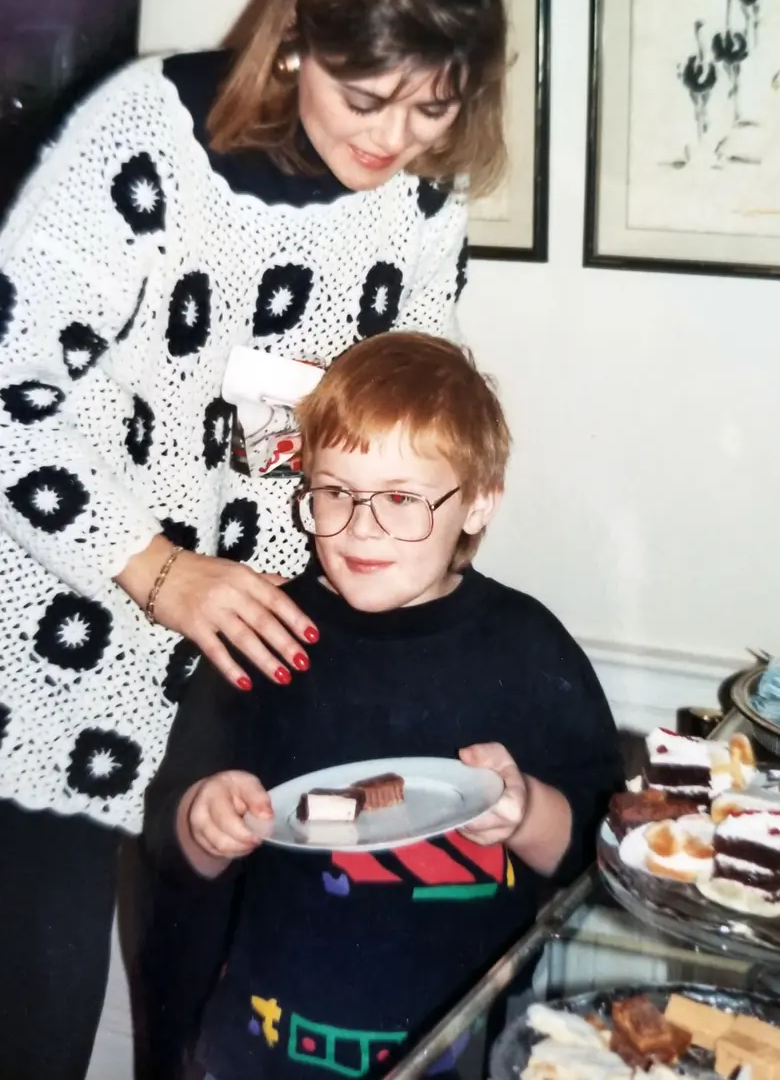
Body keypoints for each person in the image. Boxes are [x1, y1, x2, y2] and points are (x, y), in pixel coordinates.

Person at [0, 0, 509, 1080]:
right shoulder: (147, 132)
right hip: (62, 630)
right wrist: (162, 569)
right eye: (367, 98)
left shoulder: (422, 200)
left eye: (433, 106)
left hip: (260, 642)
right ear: (294, 48)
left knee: (208, 1024)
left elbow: (398, 412)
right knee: (34, 1014)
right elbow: (17, 390)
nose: (398, 138)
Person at [144, 331, 625, 1080]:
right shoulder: (264, 633)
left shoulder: (528, 649)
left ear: (477, 502)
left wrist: (527, 811)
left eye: (402, 498)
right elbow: (173, 841)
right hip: (268, 1046)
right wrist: (204, 816)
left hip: (466, 1046)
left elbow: (602, 847)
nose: (362, 527)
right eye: (335, 493)